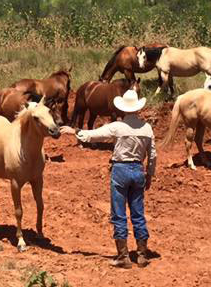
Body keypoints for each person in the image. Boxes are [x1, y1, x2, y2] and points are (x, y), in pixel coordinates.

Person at [60, 88, 156, 268]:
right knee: (138, 212)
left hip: (120, 169)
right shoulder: (147, 128)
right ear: (138, 108)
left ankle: (123, 256)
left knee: (119, 213)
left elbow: (93, 135)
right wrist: (149, 174)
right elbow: (152, 154)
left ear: (123, 109)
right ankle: (142, 254)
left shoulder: (117, 126)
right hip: (138, 169)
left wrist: (74, 131)